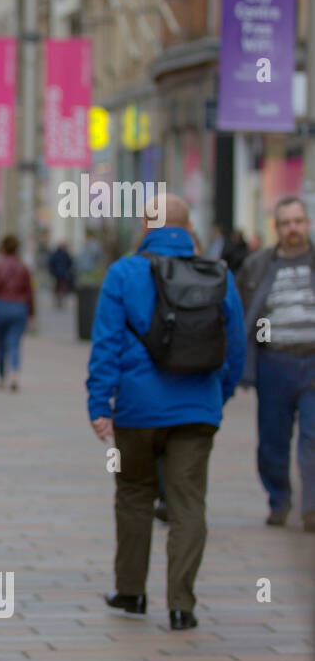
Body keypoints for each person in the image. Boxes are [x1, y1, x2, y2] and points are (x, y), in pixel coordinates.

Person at [86, 194, 245, 631]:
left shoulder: (123, 273)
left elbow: (106, 346)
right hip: (197, 409)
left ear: (146, 224)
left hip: (138, 409)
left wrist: (100, 404)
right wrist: (219, 395)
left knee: (135, 494)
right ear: (189, 227)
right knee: (188, 503)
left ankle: (131, 592)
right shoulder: (220, 275)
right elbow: (236, 345)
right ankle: (181, 606)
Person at [238, 197, 315, 531]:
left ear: (307, 223)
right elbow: (242, 312)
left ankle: (311, 507)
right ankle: (279, 499)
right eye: (286, 223)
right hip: (274, 361)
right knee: (272, 438)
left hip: (312, 360)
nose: (293, 229)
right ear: (277, 227)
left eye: (298, 221)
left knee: (312, 437)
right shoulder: (258, 265)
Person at [0, 234, 34, 391]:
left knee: (0, 344)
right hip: (19, 308)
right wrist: (32, 312)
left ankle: (1, 376)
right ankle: (14, 371)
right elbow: (29, 292)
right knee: (14, 343)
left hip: (0, 307)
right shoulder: (23, 267)